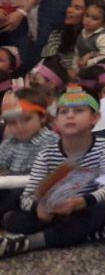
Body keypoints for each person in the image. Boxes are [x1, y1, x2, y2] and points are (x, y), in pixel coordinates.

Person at [0, 86, 105, 259]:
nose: (70, 115)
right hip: (53, 210)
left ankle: (29, 243)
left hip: (86, 207)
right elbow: (27, 196)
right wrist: (39, 207)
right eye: (64, 112)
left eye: (78, 111)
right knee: (13, 218)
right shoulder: (47, 154)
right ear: (55, 121)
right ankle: (87, 233)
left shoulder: (104, 148)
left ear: (95, 117)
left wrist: (82, 202)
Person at [0, 88, 56, 218]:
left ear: (42, 117)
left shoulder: (52, 142)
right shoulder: (8, 143)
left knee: (18, 195)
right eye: (12, 123)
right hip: (8, 190)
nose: (19, 127)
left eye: (26, 120)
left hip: (33, 193)